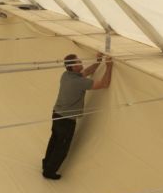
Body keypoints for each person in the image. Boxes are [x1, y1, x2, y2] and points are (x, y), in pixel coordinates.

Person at [42, 52, 113, 180]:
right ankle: (49, 172)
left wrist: (98, 62)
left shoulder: (66, 75)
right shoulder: (79, 82)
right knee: (62, 148)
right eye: (78, 62)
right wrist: (109, 66)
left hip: (57, 115)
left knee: (54, 141)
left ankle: (46, 164)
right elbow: (104, 84)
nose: (81, 63)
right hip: (66, 121)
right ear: (74, 67)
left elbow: (86, 72)